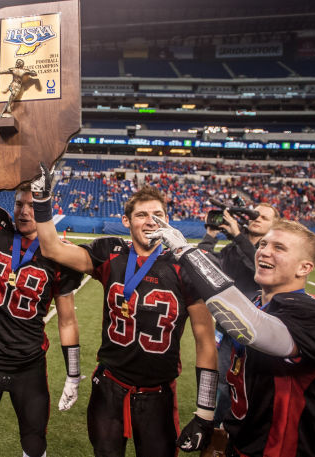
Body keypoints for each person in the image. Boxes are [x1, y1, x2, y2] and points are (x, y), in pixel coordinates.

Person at [30, 168, 218, 457]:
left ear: (167, 220)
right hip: (109, 386)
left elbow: (206, 341)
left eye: (158, 214)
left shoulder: (185, 266)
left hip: (158, 393)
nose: (151, 220)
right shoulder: (111, 252)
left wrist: (205, 413)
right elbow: (53, 248)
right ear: (126, 221)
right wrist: (42, 199)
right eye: (142, 214)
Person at [150, 217, 315, 457]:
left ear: (304, 267)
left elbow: (248, 327)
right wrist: (208, 417)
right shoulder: (255, 304)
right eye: (263, 245)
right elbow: (220, 365)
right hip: (238, 444)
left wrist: (185, 251)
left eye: (279, 248)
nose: (264, 252)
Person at [0, 102, 82, 457]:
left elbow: (68, 320)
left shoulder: (56, 253)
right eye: (19, 202)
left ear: (44, 205)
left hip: (29, 364)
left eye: (32, 203)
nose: (25, 210)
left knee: (34, 444)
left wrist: (73, 373)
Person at [197, 203, 279, 425]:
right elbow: (202, 263)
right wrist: (211, 234)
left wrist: (237, 236)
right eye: (254, 214)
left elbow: (260, 267)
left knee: (253, 388)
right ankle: (218, 432)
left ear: (275, 225)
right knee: (223, 382)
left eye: (264, 216)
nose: (256, 218)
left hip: (258, 332)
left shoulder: (273, 252)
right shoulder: (233, 249)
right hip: (228, 329)